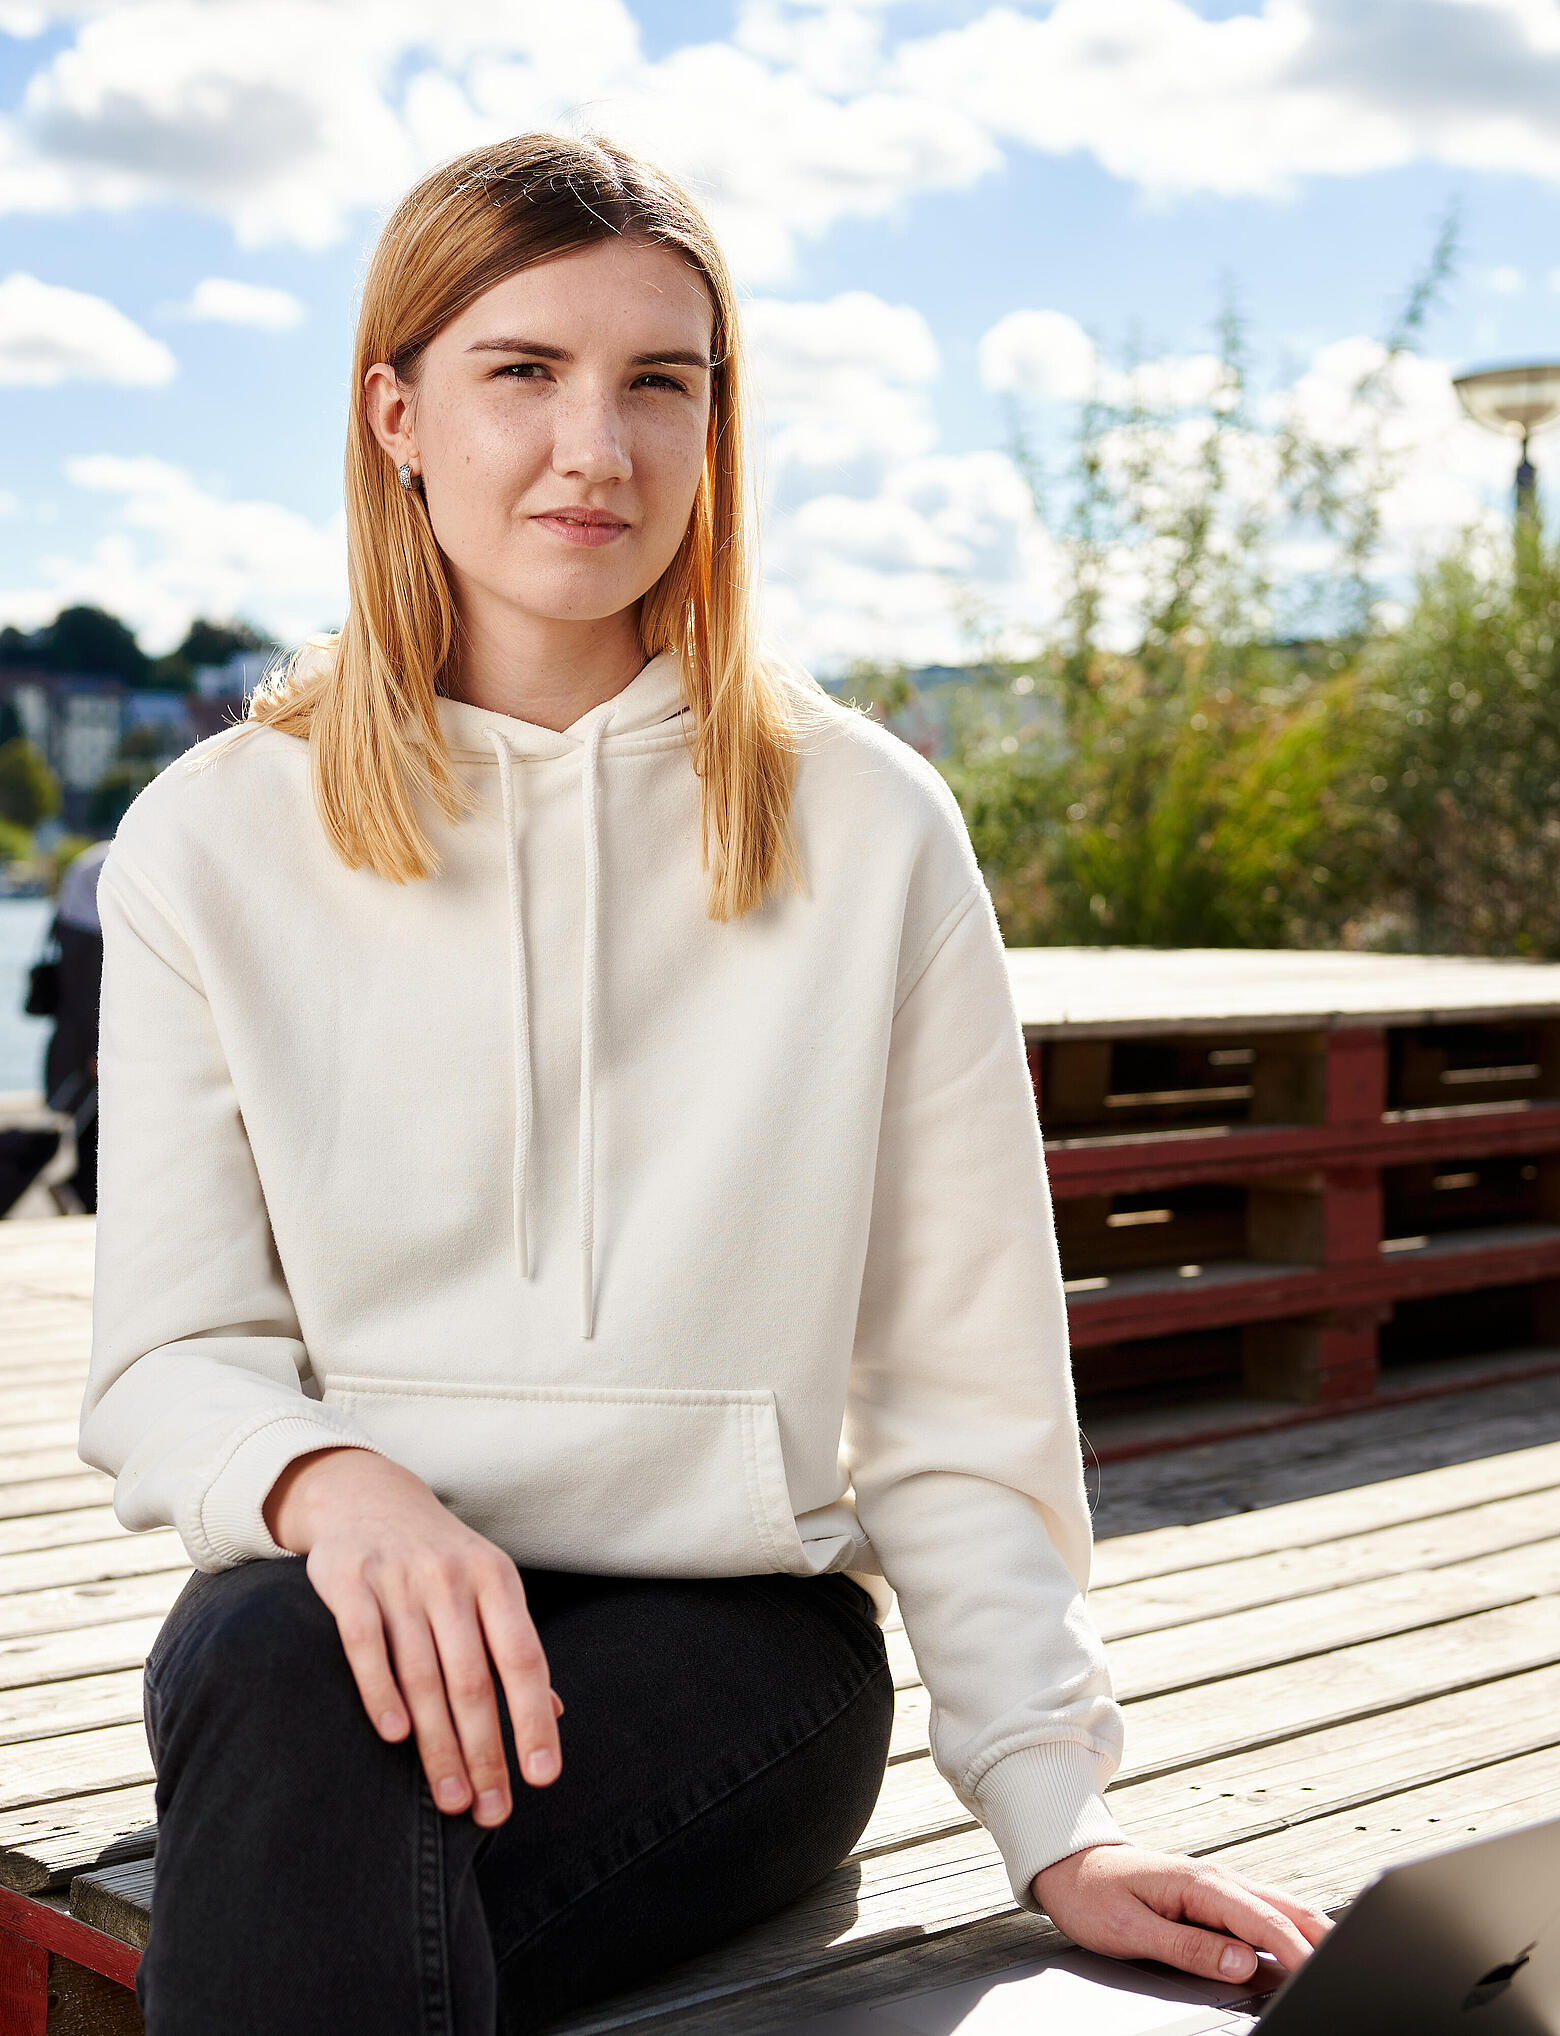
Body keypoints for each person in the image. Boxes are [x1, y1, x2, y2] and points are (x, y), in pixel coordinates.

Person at [77, 134, 1330, 2035]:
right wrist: (338, 1485)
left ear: (717, 426)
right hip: (342, 1614)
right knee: (279, 1667)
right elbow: (168, 1357)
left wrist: (1057, 1816)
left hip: (736, 1651)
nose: (600, 448)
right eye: (524, 373)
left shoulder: (866, 822)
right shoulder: (212, 841)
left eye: (661, 381)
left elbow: (960, 1381)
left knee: (311, 1879)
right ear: (395, 412)